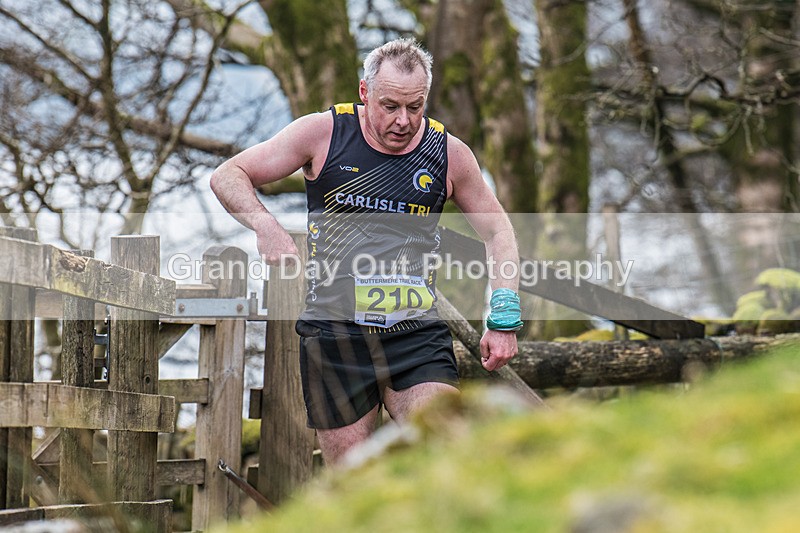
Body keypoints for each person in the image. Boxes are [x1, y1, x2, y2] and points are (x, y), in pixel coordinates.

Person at [210, 38, 522, 465]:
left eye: (415, 107)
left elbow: (499, 230)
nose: (403, 121)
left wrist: (503, 315)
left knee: (448, 454)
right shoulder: (324, 133)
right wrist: (265, 224)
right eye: (390, 106)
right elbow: (229, 174)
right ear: (364, 93)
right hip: (336, 336)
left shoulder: (447, 154)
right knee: (356, 479)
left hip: (414, 332)